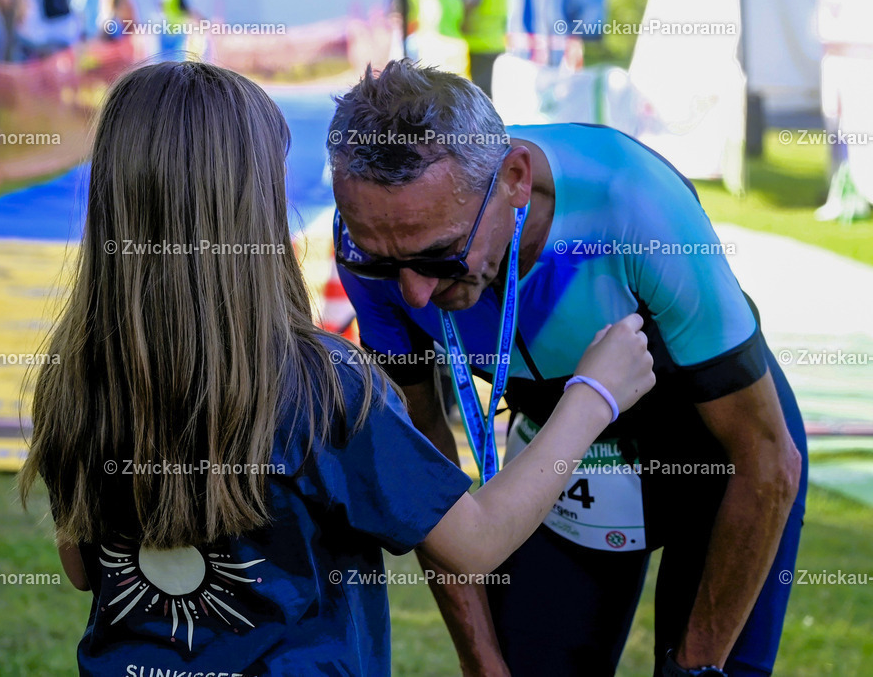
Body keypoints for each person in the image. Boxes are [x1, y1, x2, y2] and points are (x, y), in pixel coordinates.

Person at [18, 60, 655, 676]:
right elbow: (477, 544)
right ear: (253, 208)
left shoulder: (73, 378)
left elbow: (83, 570)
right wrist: (594, 394)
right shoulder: (325, 389)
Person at [329, 60, 805, 677]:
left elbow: (767, 458)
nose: (413, 293)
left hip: (716, 451)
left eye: (441, 256)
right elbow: (433, 486)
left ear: (515, 181)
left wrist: (695, 668)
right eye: (381, 261)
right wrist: (482, 660)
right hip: (564, 445)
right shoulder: (372, 241)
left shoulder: (631, 201)